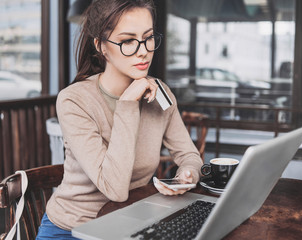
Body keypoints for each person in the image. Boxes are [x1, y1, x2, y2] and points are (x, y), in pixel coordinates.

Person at [36, 0, 202, 239]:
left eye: (148, 37)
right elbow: (115, 189)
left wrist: (186, 176)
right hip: (72, 229)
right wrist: (127, 104)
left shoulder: (160, 93)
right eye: (127, 41)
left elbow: (190, 156)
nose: (143, 50)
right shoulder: (74, 100)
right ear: (101, 46)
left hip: (130, 222)